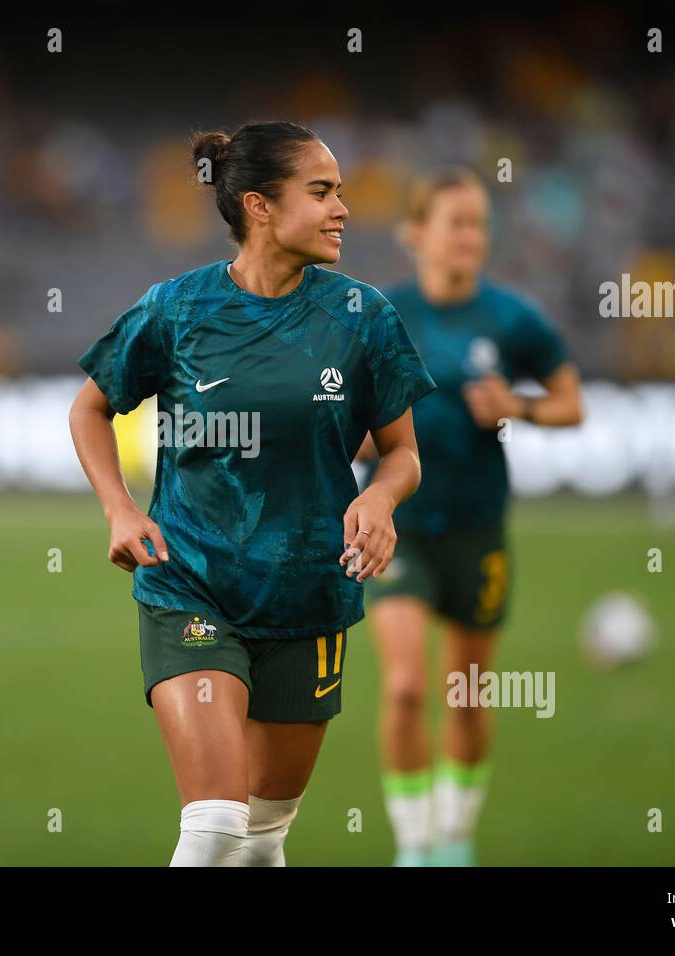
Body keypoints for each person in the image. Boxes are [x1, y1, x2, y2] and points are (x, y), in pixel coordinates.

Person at [69, 122, 435, 866]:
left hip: (309, 599)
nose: (343, 210)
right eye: (323, 192)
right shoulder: (175, 311)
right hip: (191, 587)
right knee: (213, 830)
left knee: (262, 843)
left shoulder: (363, 317)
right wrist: (119, 506)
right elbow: (89, 408)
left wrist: (380, 500)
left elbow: (402, 455)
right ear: (262, 207)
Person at [362, 167, 583, 866]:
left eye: (480, 224)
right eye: (455, 222)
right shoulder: (375, 313)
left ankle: (455, 839)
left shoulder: (512, 318)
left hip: (478, 529)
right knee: (403, 688)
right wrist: (356, 435)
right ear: (416, 233)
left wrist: (519, 407)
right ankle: (415, 843)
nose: (471, 237)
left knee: (465, 697)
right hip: (395, 528)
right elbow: (340, 406)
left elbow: (571, 403)